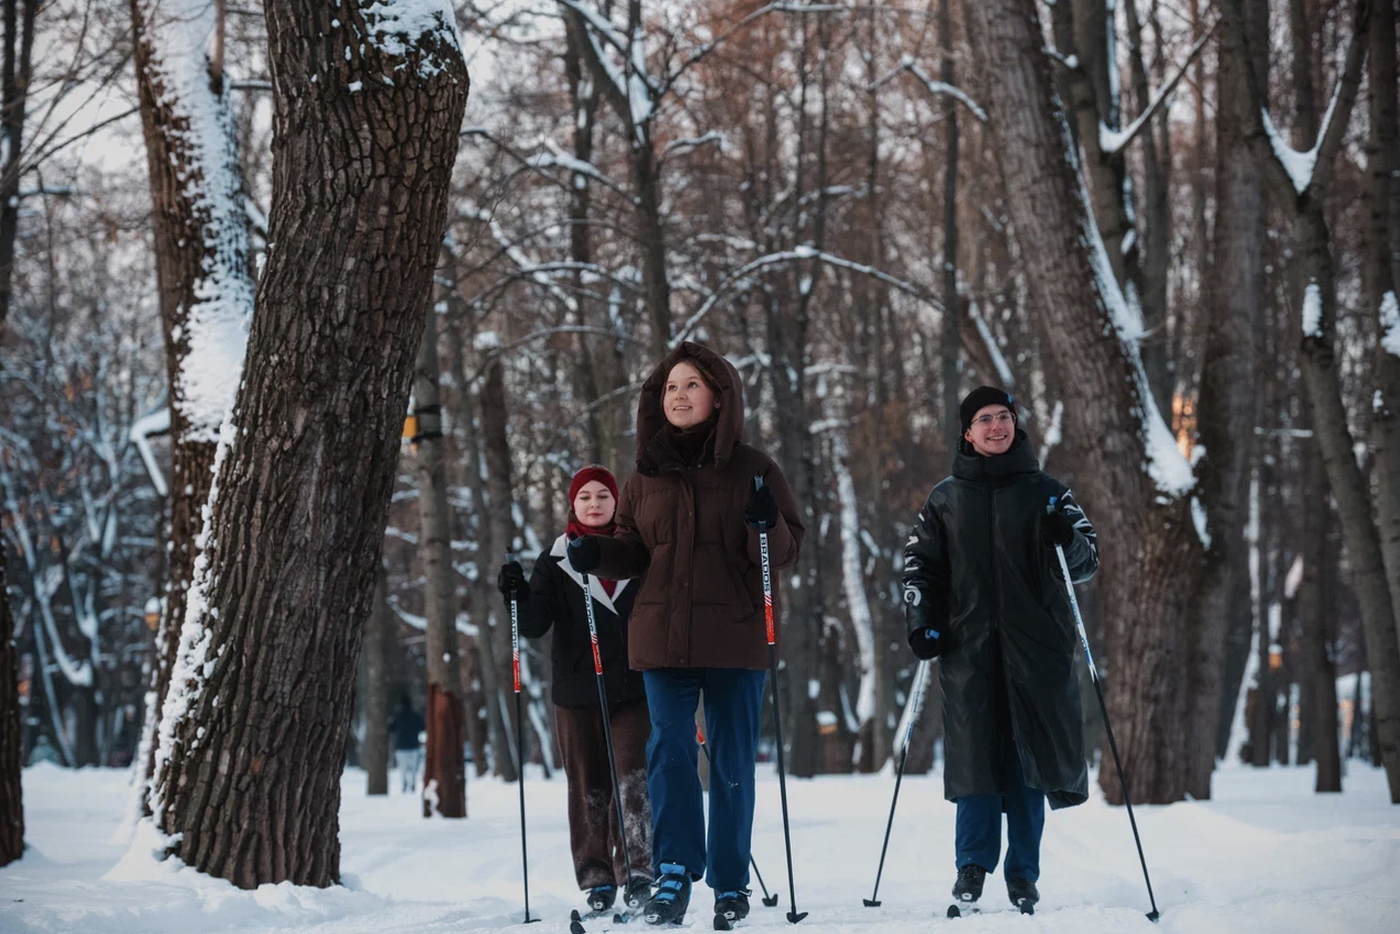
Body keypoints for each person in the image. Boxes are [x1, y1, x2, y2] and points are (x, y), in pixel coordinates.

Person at [566, 341, 804, 927]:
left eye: (691, 385)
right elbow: (632, 550)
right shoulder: (645, 472)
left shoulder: (754, 468)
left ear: (718, 398)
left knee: (729, 762)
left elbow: (784, 550)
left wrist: (763, 521)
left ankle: (730, 882)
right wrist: (594, 551)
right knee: (668, 752)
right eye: (670, 387)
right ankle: (673, 871)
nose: (679, 396)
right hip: (663, 640)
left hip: (734, 636)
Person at [901, 386, 1099, 914]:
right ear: (967, 432)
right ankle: (971, 866)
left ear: (1016, 425)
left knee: (1027, 764)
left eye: (1005, 417)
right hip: (968, 651)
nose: (997, 427)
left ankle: (1023, 875)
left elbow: (1086, 561)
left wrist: (1067, 537)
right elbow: (921, 568)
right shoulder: (944, 499)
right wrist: (923, 624)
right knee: (975, 761)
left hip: (1037, 653)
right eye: (984, 419)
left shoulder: (1048, 492)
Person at [497, 465, 653, 914]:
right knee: (589, 785)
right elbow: (534, 624)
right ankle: (596, 876)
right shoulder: (557, 557)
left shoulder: (633, 551)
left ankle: (639, 872)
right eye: (585, 497)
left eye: (603, 495)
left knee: (634, 779)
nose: (594, 504)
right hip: (577, 690)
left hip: (634, 685)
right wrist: (516, 594)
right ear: (573, 503)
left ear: (616, 502)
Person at [390, 696, 425, 795]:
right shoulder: (416, 715)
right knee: (414, 768)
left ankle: (405, 783)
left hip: (400, 747)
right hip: (413, 746)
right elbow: (423, 727)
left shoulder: (397, 716)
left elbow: (391, 728)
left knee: (403, 768)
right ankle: (413, 783)